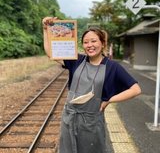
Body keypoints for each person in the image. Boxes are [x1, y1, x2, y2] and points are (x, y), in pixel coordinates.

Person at [42, 17, 141, 153]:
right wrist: (45, 29)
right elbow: (50, 53)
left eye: (94, 41)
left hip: (92, 122)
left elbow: (135, 89)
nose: (90, 45)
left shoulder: (112, 67)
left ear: (103, 43)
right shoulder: (76, 59)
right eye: (86, 42)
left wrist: (109, 100)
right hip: (70, 118)